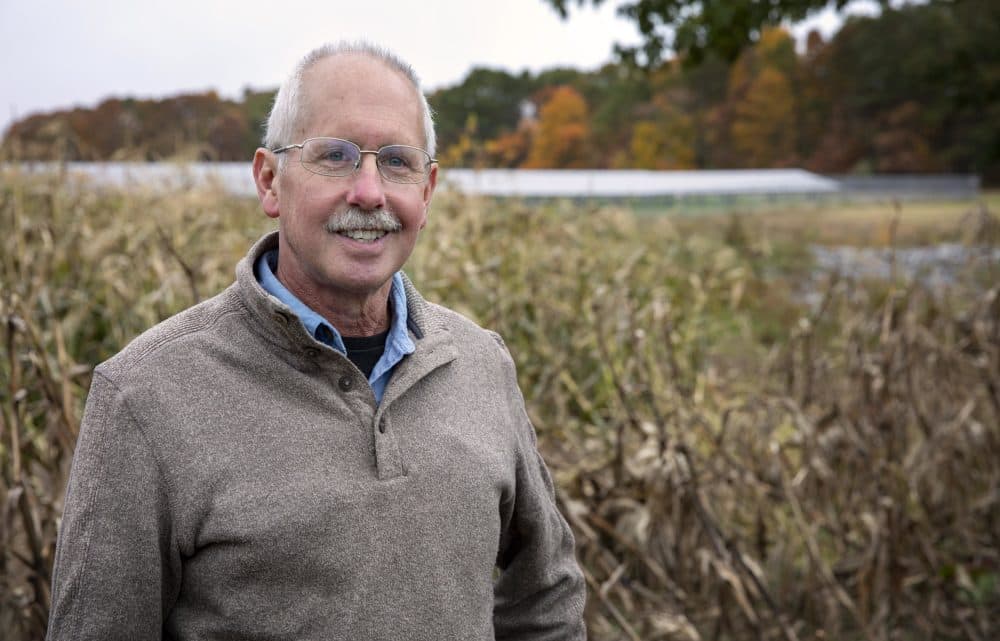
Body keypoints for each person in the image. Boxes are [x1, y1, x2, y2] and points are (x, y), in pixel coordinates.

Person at [46, 41, 587, 640]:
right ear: (270, 181)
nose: (370, 192)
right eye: (336, 156)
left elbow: (547, 594)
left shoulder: (481, 363)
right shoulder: (145, 397)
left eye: (398, 163)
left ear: (427, 192)